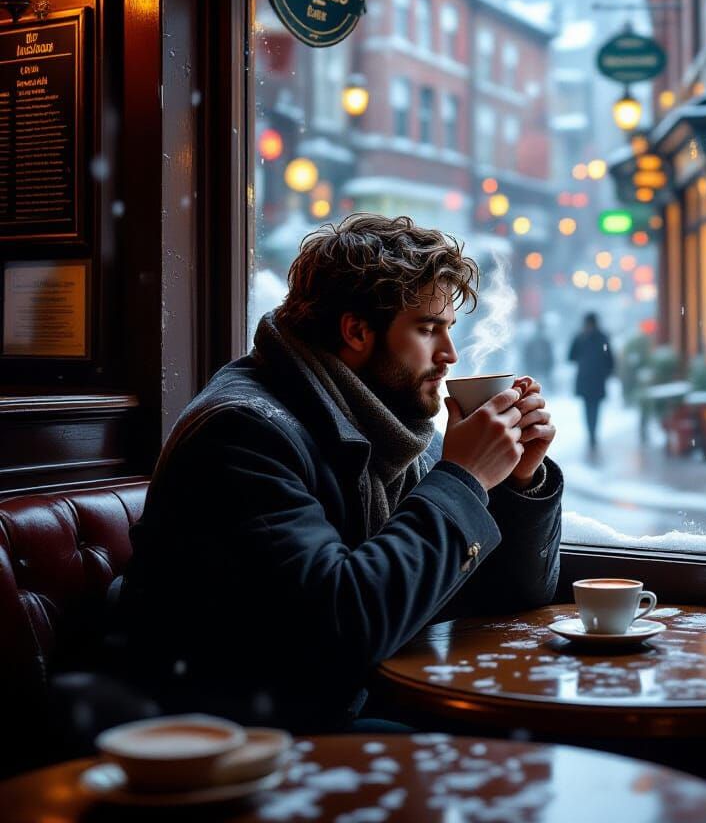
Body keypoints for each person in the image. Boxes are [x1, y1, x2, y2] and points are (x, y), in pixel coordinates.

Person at [111, 215, 561, 732]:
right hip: (233, 730)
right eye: (428, 329)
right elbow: (341, 626)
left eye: (450, 329)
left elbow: (510, 598)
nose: (449, 355)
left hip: (334, 702)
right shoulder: (243, 433)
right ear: (356, 331)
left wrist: (522, 481)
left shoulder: (392, 426)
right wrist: (463, 479)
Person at [568, 312, 615, 453]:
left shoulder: (580, 337)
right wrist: (607, 372)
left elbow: (571, 356)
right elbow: (609, 357)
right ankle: (592, 434)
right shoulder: (602, 338)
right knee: (594, 408)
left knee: (588, 408)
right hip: (597, 379)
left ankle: (591, 434)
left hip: (585, 379)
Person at [522, 319, 555, 391]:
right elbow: (527, 354)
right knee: (535, 382)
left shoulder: (545, 341)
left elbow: (549, 355)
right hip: (535, 365)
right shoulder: (533, 341)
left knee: (543, 382)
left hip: (542, 365)